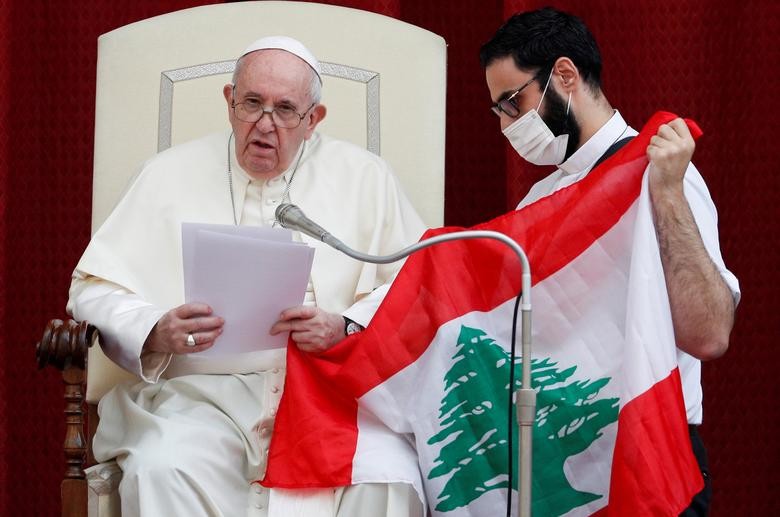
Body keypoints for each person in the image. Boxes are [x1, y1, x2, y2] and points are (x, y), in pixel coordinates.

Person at [67, 36, 426, 517]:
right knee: (161, 465)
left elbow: (417, 285)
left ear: (313, 119)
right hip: (198, 400)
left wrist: (345, 326)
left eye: (285, 110)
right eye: (252, 103)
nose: (265, 124)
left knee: (389, 478)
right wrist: (154, 328)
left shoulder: (366, 178)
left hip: (332, 394)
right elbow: (93, 288)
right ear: (229, 101)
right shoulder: (164, 174)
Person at [480, 8, 739, 516]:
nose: (508, 125)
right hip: (562, 463)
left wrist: (666, 191)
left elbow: (709, 333)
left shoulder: (662, 173)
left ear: (564, 75)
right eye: (499, 112)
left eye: (513, 102)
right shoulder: (538, 201)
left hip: (647, 453)